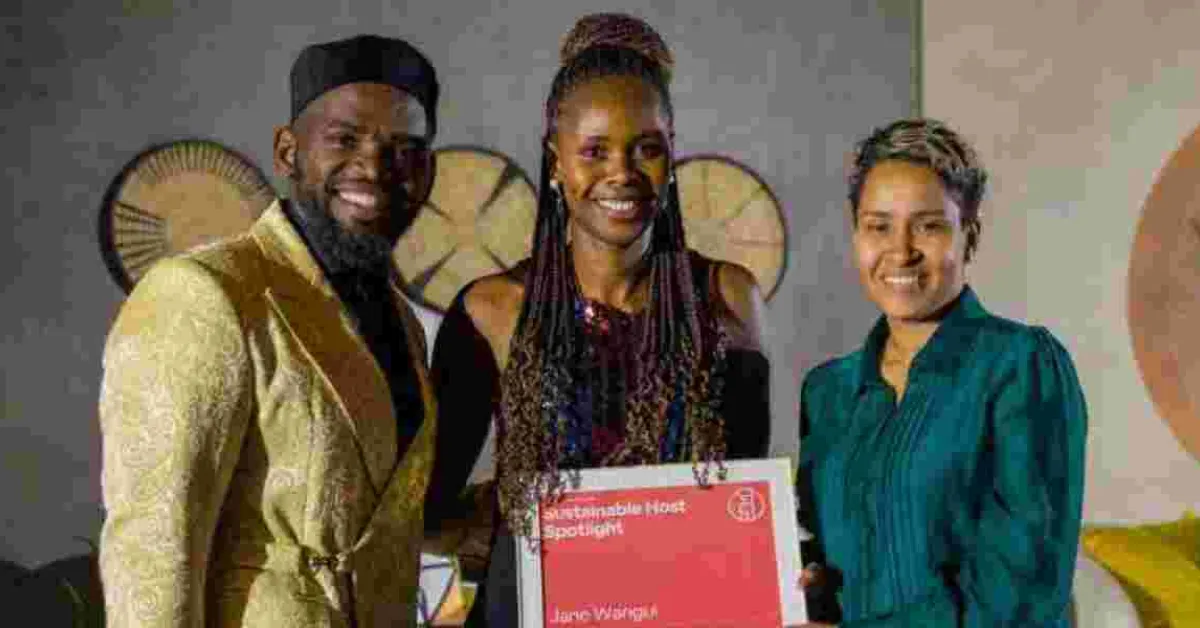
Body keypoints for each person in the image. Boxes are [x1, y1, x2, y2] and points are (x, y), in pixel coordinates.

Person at [422, 13, 771, 626]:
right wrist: (517, 521)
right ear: (556, 161)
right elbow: (425, 502)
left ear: (671, 154)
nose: (622, 173)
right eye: (594, 151)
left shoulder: (725, 298)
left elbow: (742, 495)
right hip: (530, 609)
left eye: (647, 149)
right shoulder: (493, 311)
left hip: (680, 609)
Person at [98, 34, 440, 627]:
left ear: (427, 172)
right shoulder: (206, 292)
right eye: (345, 139)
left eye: (404, 149)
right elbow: (152, 550)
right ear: (287, 152)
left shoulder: (400, 319)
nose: (374, 167)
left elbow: (370, 512)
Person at [794, 118, 1088, 626]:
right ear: (856, 235)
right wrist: (809, 585)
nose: (901, 250)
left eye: (929, 225)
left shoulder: (1021, 366)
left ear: (969, 237)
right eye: (878, 226)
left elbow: (1023, 589)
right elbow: (829, 563)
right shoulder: (828, 393)